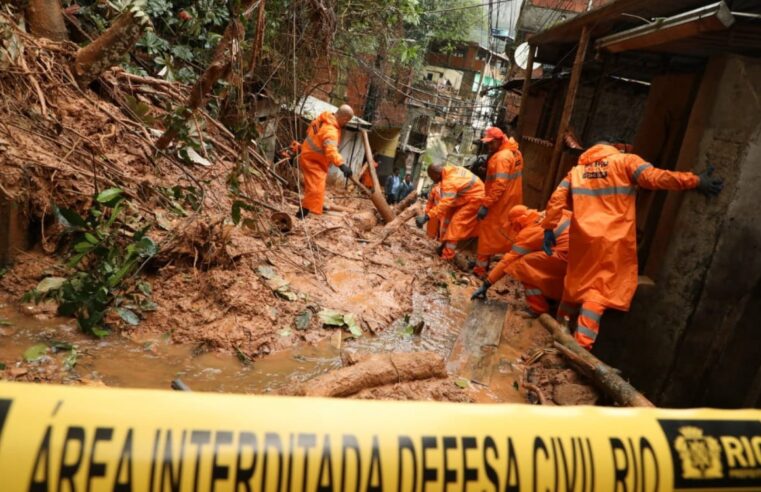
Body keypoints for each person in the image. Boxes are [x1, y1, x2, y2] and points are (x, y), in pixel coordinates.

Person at [541, 142, 724, 350]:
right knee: (599, 291)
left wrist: (549, 228)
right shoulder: (626, 161)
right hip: (613, 240)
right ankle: (581, 348)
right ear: (613, 148)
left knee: (575, 284)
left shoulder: (577, 171)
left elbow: (556, 199)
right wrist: (695, 180)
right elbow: (655, 177)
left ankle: (557, 332)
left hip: (583, 239)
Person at [472, 205, 575, 319]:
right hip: (581, 257)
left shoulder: (529, 233)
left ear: (519, 221)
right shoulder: (546, 213)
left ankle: (538, 308)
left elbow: (508, 260)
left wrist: (487, 283)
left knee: (521, 265)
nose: (513, 228)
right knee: (536, 261)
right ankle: (550, 299)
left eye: (512, 224)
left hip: (566, 259)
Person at [474, 127, 524, 277]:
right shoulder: (516, 152)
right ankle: (500, 268)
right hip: (512, 201)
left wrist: (486, 204)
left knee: (487, 236)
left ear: (499, 140)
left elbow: (499, 184)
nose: (489, 147)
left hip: (499, 202)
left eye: (491, 143)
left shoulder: (501, 158)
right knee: (507, 234)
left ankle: (480, 270)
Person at [415, 163, 484, 261]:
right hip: (466, 198)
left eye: (431, 177)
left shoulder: (449, 182)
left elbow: (445, 203)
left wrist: (427, 217)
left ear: (436, 174)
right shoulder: (450, 170)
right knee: (447, 221)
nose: (432, 180)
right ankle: (443, 246)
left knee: (455, 225)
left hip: (476, 199)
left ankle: (447, 256)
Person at [296, 105, 354, 218]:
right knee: (315, 189)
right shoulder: (331, 131)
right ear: (345, 118)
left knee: (313, 188)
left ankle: (303, 212)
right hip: (313, 161)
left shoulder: (324, 117)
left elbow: (310, 131)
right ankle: (301, 215)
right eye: (348, 121)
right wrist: (342, 165)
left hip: (309, 155)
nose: (347, 123)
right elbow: (331, 151)